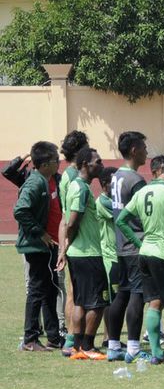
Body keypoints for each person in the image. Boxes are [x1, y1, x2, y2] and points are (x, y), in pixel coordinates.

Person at [116, 158, 164, 364]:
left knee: (154, 302)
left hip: (146, 251)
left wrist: (138, 242)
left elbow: (120, 220)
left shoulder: (142, 192)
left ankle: (157, 352)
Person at [56, 147, 108, 360]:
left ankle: (77, 347)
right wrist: (67, 245)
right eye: (98, 161)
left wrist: (66, 249)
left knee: (80, 301)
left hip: (81, 253)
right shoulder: (81, 188)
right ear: (86, 164)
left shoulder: (80, 186)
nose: (101, 165)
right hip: (87, 253)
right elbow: (72, 221)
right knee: (97, 302)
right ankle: (87, 345)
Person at [14, 141, 62, 352]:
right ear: (44, 164)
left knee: (49, 290)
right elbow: (20, 210)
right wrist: (39, 232)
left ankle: (53, 336)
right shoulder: (35, 183)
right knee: (36, 290)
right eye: (55, 160)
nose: (59, 163)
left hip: (46, 245)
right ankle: (30, 339)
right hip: (35, 246)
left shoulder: (45, 180)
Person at [110, 131, 151, 363]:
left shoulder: (116, 176)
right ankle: (133, 347)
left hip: (120, 245)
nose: (147, 151)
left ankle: (114, 345)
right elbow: (143, 214)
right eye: (144, 147)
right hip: (135, 245)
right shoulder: (136, 180)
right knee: (137, 293)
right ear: (134, 150)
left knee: (122, 293)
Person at [96, 166, 122, 359]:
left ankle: (108, 337)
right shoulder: (104, 201)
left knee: (116, 299)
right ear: (105, 185)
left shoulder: (113, 200)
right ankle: (108, 338)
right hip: (109, 257)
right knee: (112, 300)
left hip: (118, 256)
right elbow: (122, 217)